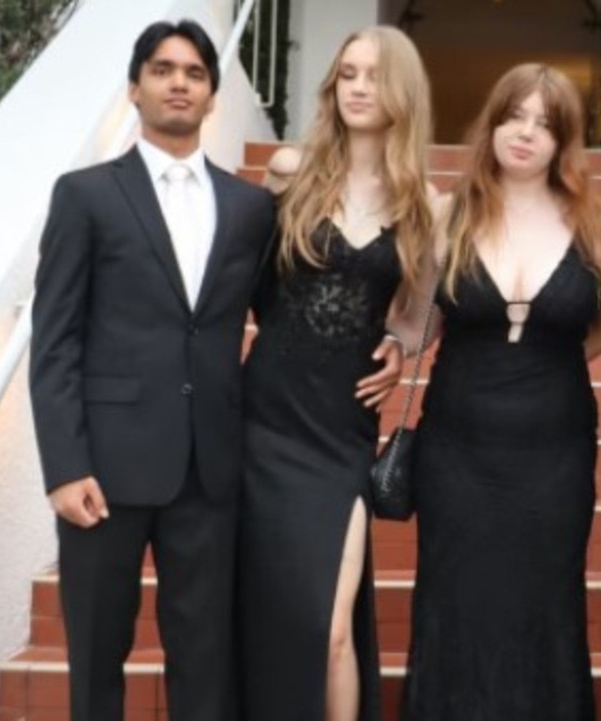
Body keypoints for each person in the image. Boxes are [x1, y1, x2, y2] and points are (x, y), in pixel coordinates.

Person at [28, 19, 275, 721]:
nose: (179, 82)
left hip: (210, 468)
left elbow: (284, 317)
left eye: (195, 73)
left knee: (205, 658)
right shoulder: (85, 195)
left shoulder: (251, 206)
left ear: (211, 95)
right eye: (163, 70)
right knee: (96, 657)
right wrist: (63, 465)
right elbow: (55, 340)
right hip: (101, 473)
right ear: (135, 88)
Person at [398, 63, 601, 721]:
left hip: (554, 455)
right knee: (455, 599)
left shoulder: (596, 223)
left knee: (546, 603)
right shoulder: (448, 212)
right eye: (513, 116)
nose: (525, 134)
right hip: (456, 450)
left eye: (545, 125)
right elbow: (415, 327)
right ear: (490, 124)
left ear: (564, 141)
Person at [236, 26, 434, 721]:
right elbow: (248, 284)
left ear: (401, 92)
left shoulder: (422, 205)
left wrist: (404, 345)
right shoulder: (292, 170)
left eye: (373, 76)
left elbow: (425, 309)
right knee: (279, 618)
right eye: (346, 73)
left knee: (334, 622)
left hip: (343, 427)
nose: (356, 86)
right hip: (266, 417)